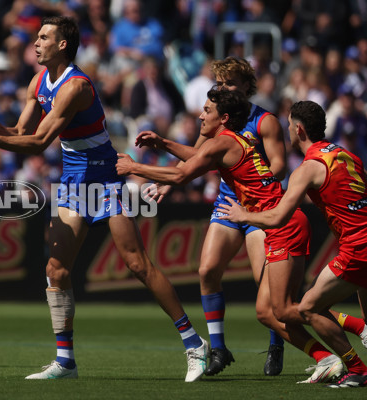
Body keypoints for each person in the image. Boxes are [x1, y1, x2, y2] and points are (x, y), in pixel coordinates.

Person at [0, 16, 209, 382]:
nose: (36, 42)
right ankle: (65, 361)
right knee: (55, 270)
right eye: (37, 37)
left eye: (43, 37)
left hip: (104, 178)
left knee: (137, 265)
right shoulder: (38, 81)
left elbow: (39, 143)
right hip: (74, 182)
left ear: (62, 45)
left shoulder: (75, 86)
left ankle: (193, 343)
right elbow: (22, 132)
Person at [116, 89, 347, 384]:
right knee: (271, 312)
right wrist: (162, 143)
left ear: (223, 118)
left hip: (281, 225)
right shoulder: (234, 141)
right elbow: (199, 158)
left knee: (286, 309)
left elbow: (180, 176)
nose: (200, 115)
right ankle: (325, 358)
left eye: (207, 110)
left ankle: (350, 339)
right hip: (282, 223)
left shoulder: (224, 142)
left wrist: (133, 167)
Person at [149, 57, 288, 376]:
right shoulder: (216, 121)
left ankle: (276, 343)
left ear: (247, 86)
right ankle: (219, 349)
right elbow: (197, 159)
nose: (225, 88)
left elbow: (280, 165)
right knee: (208, 270)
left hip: (257, 206)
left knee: (263, 282)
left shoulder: (265, 121)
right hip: (227, 203)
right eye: (221, 83)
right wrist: (171, 183)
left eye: (232, 83)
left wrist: (254, 177)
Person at [217, 100, 367, 388]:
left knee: (309, 307)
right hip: (360, 240)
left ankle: (356, 367)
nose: (287, 131)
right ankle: (358, 343)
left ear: (298, 129)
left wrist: (243, 214)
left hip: (357, 245)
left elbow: (278, 217)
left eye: (288, 126)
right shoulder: (346, 154)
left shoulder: (308, 168)